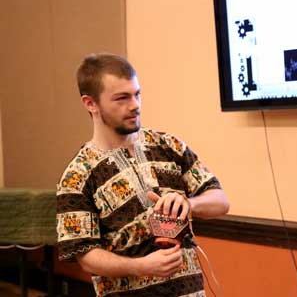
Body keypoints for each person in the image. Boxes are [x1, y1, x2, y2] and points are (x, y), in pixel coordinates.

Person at [56, 53, 230, 297]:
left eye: (137, 94)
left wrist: (188, 204)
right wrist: (140, 266)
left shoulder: (169, 146)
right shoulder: (77, 176)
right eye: (122, 98)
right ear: (90, 103)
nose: (135, 105)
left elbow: (221, 202)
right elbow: (85, 256)